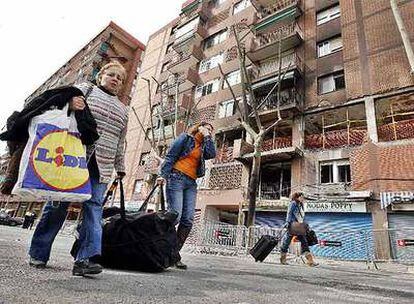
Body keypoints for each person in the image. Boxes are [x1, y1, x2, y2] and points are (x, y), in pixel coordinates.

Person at [28, 61, 129, 276]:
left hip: (102, 164)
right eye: (111, 75)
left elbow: (121, 140)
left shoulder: (123, 109)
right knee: (58, 205)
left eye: (119, 78)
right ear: (101, 75)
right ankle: (38, 252)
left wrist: (120, 167)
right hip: (74, 157)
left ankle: (85, 260)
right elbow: (58, 109)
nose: (115, 80)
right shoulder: (86, 90)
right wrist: (70, 105)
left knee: (94, 209)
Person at [157, 122, 216, 269]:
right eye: (207, 128)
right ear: (199, 127)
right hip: (176, 177)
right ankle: (158, 249)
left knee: (188, 220)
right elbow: (170, 156)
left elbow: (212, 154)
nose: (209, 131)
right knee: (174, 216)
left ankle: (173, 255)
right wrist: (163, 175)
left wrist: (207, 136)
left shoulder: (204, 146)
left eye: (211, 130)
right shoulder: (185, 138)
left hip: (191, 182)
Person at [280, 192, 318, 267]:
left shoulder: (300, 204)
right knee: (286, 242)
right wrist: (288, 222)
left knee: (304, 243)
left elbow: (301, 217)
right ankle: (283, 258)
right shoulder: (293, 203)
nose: (303, 198)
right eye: (302, 197)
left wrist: (306, 225)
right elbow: (289, 213)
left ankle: (310, 261)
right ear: (297, 197)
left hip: (299, 226)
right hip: (293, 226)